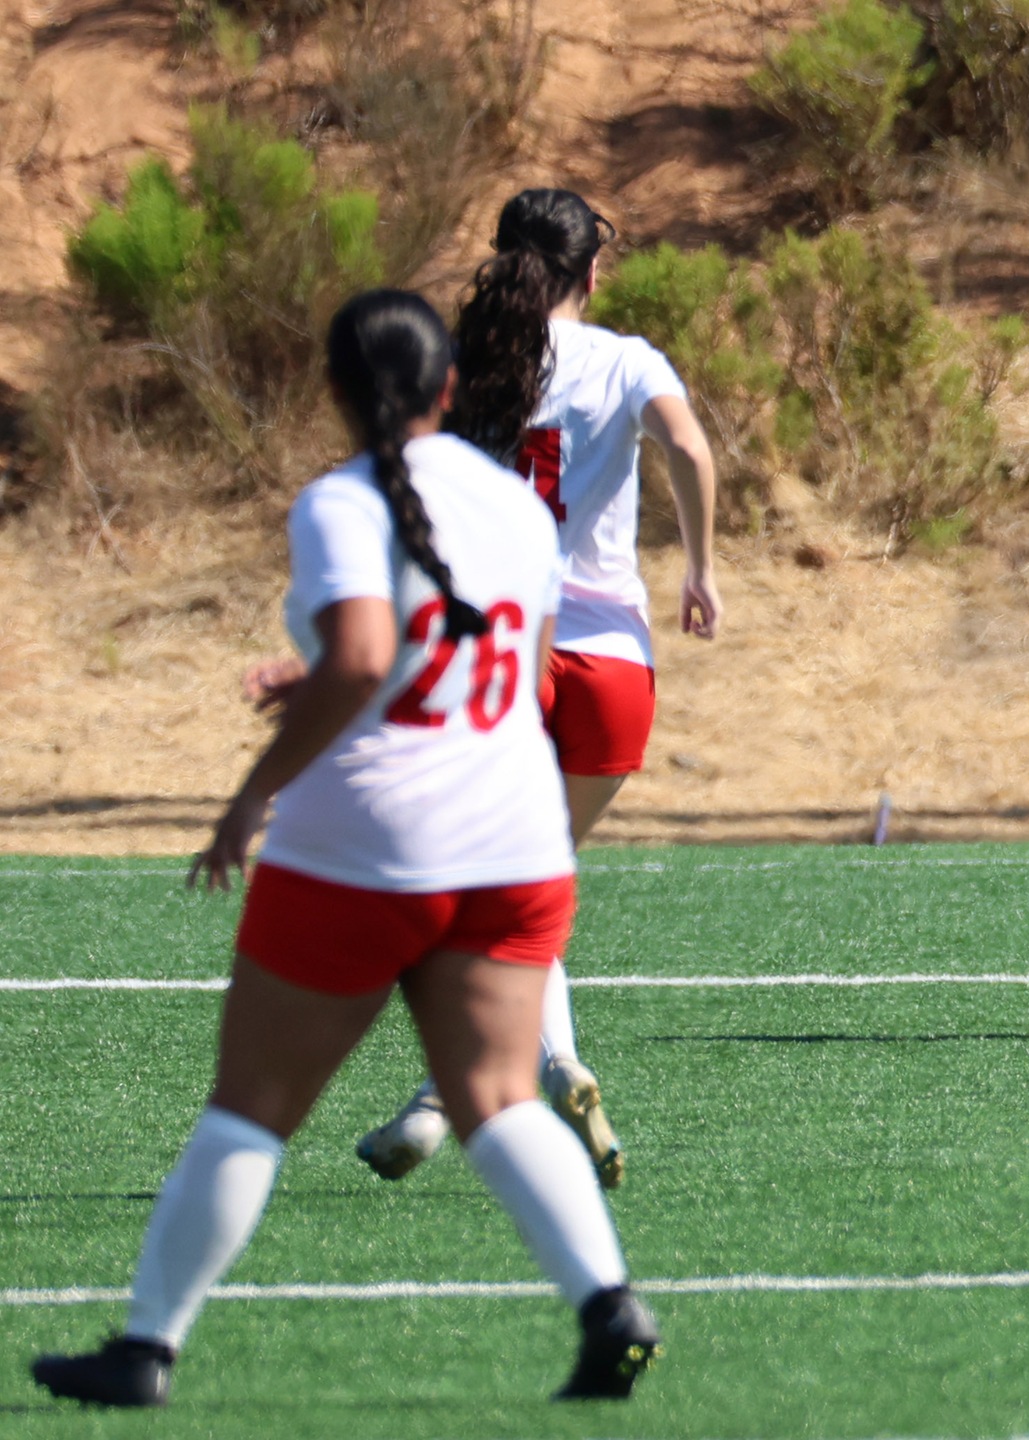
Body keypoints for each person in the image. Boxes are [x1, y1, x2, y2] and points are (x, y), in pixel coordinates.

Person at [30, 291, 658, 1408]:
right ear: (448, 388)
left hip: (371, 838)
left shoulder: (339, 499)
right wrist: (320, 676)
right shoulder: (514, 504)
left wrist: (249, 796)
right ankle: (610, 1303)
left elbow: (368, 656)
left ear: (336, 392)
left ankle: (144, 1351)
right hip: (512, 837)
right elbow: (509, 664)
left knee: (251, 1110)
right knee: (500, 1099)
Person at [356, 188, 721, 1187]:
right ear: (590, 274)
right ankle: (479, 1087)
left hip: (508, 655)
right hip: (612, 668)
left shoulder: (462, 361)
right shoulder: (629, 360)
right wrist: (699, 567)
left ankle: (530, 1070)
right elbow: (689, 448)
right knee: (522, 880)